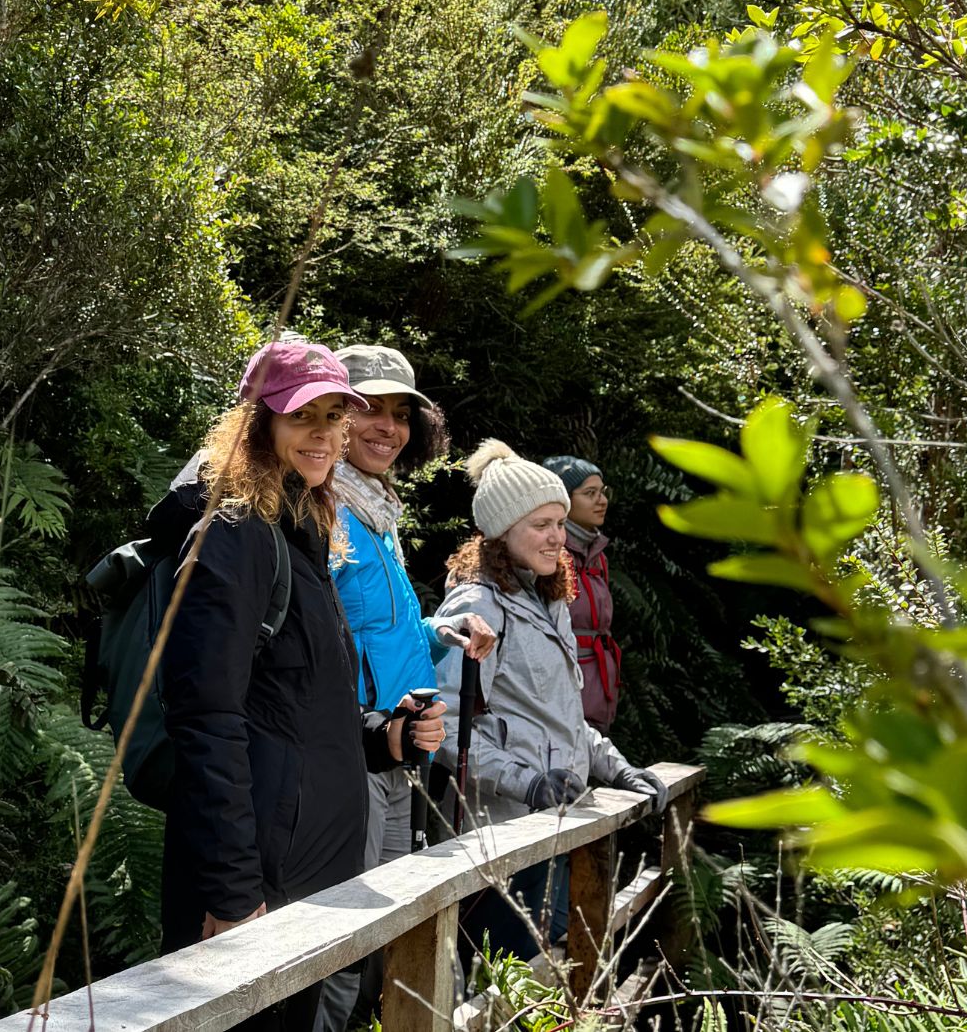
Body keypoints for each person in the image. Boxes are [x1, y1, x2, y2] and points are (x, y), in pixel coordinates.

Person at [157, 339, 447, 1031]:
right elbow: (206, 719)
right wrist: (232, 893)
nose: (321, 435)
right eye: (300, 417)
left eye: (332, 418)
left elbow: (300, 709)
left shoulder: (302, 536)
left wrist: (386, 738)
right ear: (258, 426)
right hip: (259, 884)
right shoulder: (234, 537)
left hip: (308, 876)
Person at [313, 345, 495, 1032]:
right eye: (369, 411)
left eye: (400, 415)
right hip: (349, 747)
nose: (387, 429)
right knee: (336, 939)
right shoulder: (324, 507)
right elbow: (320, 638)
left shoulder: (378, 514)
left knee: (382, 928)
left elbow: (381, 630)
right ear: (336, 416)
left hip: (399, 748)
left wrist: (444, 630)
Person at [431, 440, 666, 962]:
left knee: (540, 975)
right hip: (497, 835)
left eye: (560, 523)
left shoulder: (549, 599)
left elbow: (561, 718)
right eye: (541, 524)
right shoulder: (477, 604)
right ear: (501, 531)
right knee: (494, 982)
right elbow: (444, 724)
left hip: (552, 822)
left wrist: (618, 768)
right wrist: (528, 782)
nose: (557, 537)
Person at [541, 455, 623, 734]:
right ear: (564, 499)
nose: (602, 501)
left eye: (603, 492)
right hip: (564, 687)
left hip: (600, 684)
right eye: (590, 493)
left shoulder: (597, 555)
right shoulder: (549, 554)